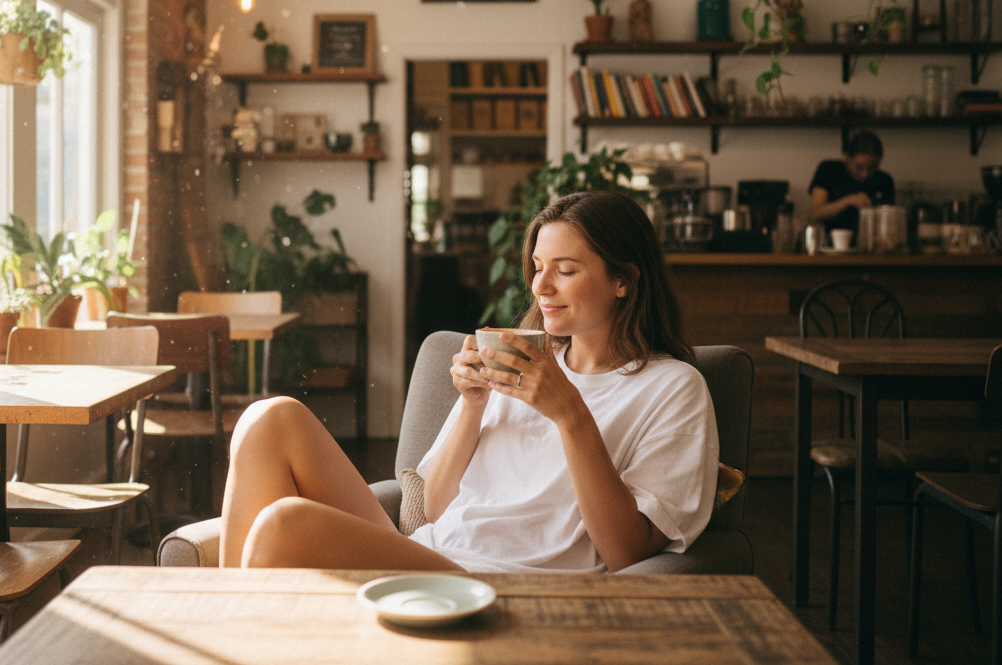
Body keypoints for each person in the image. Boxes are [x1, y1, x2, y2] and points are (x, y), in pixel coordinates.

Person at [218, 190, 719, 573]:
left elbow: (627, 553)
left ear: (623, 280)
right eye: (538, 268)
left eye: (564, 271)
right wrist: (474, 403)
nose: (540, 287)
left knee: (284, 525)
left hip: (508, 581)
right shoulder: (523, 358)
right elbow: (433, 509)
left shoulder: (673, 389)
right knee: (269, 419)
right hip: (433, 557)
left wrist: (570, 414)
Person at [808, 130, 895, 235]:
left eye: (872, 168)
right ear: (847, 157)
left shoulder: (884, 180)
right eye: (859, 167)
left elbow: (890, 223)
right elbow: (815, 214)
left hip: (871, 245)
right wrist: (848, 201)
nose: (865, 174)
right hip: (830, 245)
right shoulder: (829, 170)